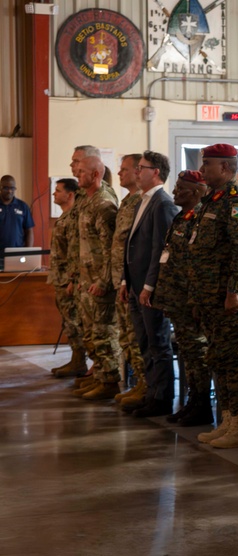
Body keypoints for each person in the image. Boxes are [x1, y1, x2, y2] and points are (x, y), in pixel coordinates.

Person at [191, 144, 238, 449]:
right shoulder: (211, 200)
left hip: (227, 297)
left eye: (208, 165)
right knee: (219, 358)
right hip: (209, 296)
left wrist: (232, 292)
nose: (203, 170)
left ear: (226, 168)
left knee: (233, 360)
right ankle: (228, 421)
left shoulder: (235, 201)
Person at [120, 151, 180, 417]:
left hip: (149, 287)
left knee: (158, 343)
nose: (136, 172)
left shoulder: (163, 203)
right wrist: (125, 279)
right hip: (135, 284)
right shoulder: (142, 201)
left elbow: (160, 249)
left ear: (155, 171)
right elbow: (131, 244)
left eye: (141, 168)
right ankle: (150, 392)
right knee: (144, 342)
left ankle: (162, 398)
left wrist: (149, 286)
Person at [156, 170, 214, 427]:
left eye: (180, 188)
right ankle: (193, 401)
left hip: (192, 299)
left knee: (198, 352)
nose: (175, 192)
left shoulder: (202, 218)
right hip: (177, 297)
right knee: (189, 352)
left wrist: (194, 298)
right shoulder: (183, 217)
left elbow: (200, 263)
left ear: (197, 192)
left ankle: (202, 405)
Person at [72, 155, 121, 400]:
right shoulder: (87, 201)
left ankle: (110, 381)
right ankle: (100, 376)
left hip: (100, 283)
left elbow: (111, 247)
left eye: (81, 172)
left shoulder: (103, 203)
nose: (76, 175)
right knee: (91, 333)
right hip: (87, 280)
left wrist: (103, 281)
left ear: (95, 175)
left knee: (103, 333)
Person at [109, 154, 146, 408]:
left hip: (134, 280)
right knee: (126, 336)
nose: (119, 173)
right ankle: (137, 384)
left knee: (135, 335)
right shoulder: (127, 201)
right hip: (121, 280)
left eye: (125, 170)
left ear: (138, 172)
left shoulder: (142, 202)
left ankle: (145, 385)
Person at [49, 178, 89, 379]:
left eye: (58, 191)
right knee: (68, 322)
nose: (54, 194)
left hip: (68, 280)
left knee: (74, 322)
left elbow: (74, 252)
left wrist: (72, 279)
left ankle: (79, 362)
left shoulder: (73, 218)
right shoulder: (64, 217)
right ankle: (76, 359)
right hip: (60, 278)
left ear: (70, 194)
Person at [0, 175, 35, 252]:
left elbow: (29, 231)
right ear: (0, 187)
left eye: (12, 188)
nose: (10, 191)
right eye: (6, 188)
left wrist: (27, 252)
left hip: (17, 254)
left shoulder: (23, 206)